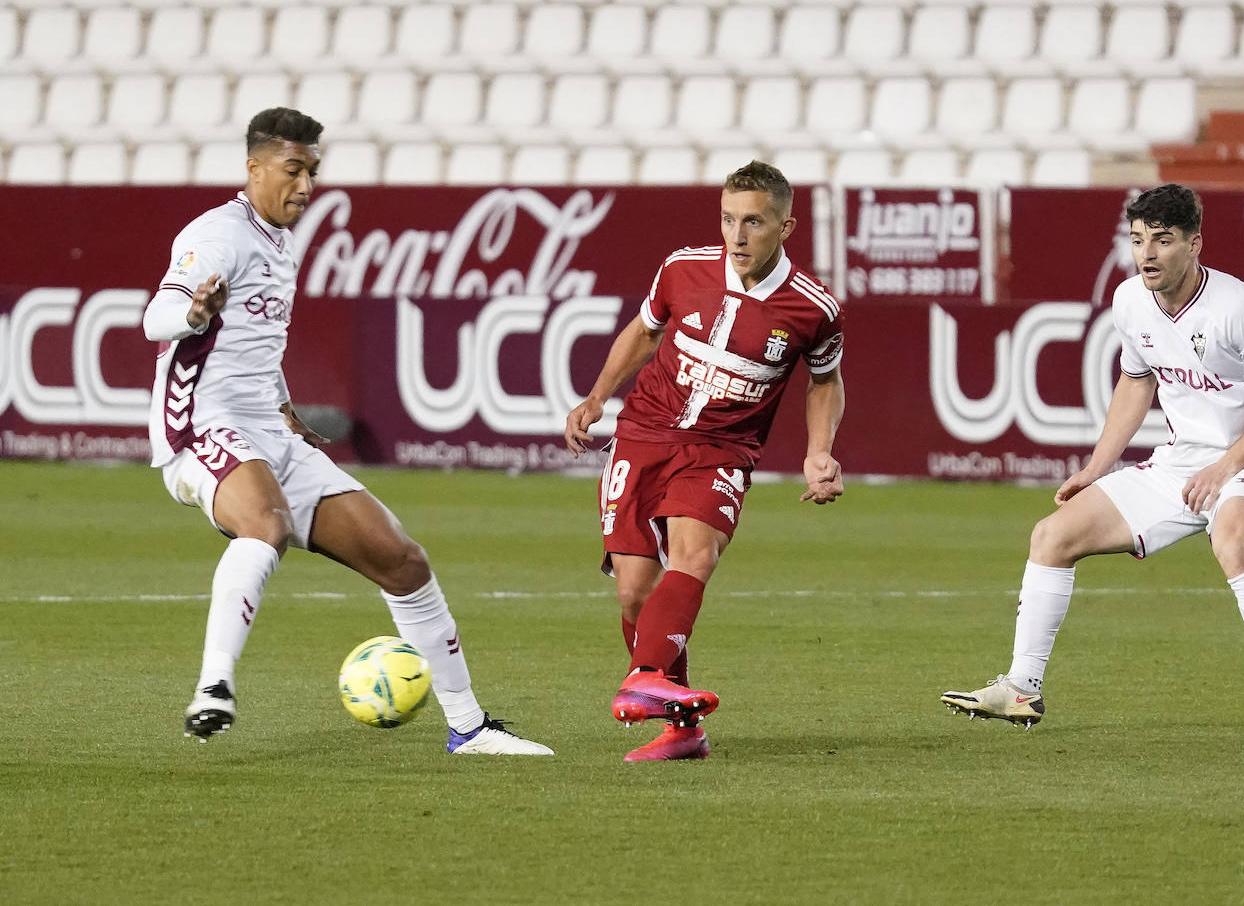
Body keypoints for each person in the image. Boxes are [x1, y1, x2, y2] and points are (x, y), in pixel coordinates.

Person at [143, 107, 552, 756]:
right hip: (201, 429)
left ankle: (470, 729)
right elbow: (157, 315)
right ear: (253, 168)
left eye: (313, 171)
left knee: (403, 561)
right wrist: (191, 311)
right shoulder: (216, 235)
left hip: (266, 432)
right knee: (266, 525)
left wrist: (283, 406)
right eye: (292, 170)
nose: (306, 185)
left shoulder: (278, 240)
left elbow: (256, 345)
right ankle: (213, 688)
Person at [940, 183, 1244, 742]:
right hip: (1179, 464)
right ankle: (1021, 686)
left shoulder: (1240, 308)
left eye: (1163, 240)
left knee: (1233, 543)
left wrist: (1225, 466)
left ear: (1195, 244)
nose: (1147, 254)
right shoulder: (1130, 300)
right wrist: (1096, 467)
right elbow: (1135, 382)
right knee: (1051, 536)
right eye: (1138, 240)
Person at [564, 160, 845, 762]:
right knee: (634, 596)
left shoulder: (813, 308)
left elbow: (825, 382)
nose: (737, 236)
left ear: (786, 226)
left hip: (722, 448)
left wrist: (818, 451)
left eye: (754, 223)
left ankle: (645, 676)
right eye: (728, 220)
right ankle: (683, 727)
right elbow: (644, 333)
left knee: (696, 553)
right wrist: (596, 396)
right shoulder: (682, 268)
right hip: (643, 433)